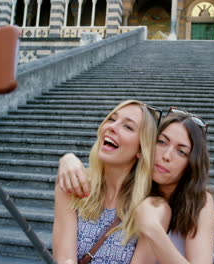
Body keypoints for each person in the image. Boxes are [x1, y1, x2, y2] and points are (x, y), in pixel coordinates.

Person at [57, 107, 214, 264]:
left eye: (181, 152)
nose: (166, 156)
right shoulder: (137, 191)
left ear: (191, 164)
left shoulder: (198, 202)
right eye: (161, 142)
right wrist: (68, 159)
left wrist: (153, 229)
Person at [52, 100, 167, 264]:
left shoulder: (154, 207)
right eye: (112, 119)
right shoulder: (74, 186)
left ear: (141, 150)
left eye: (128, 126)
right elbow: (65, 259)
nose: (111, 127)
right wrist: (66, 157)